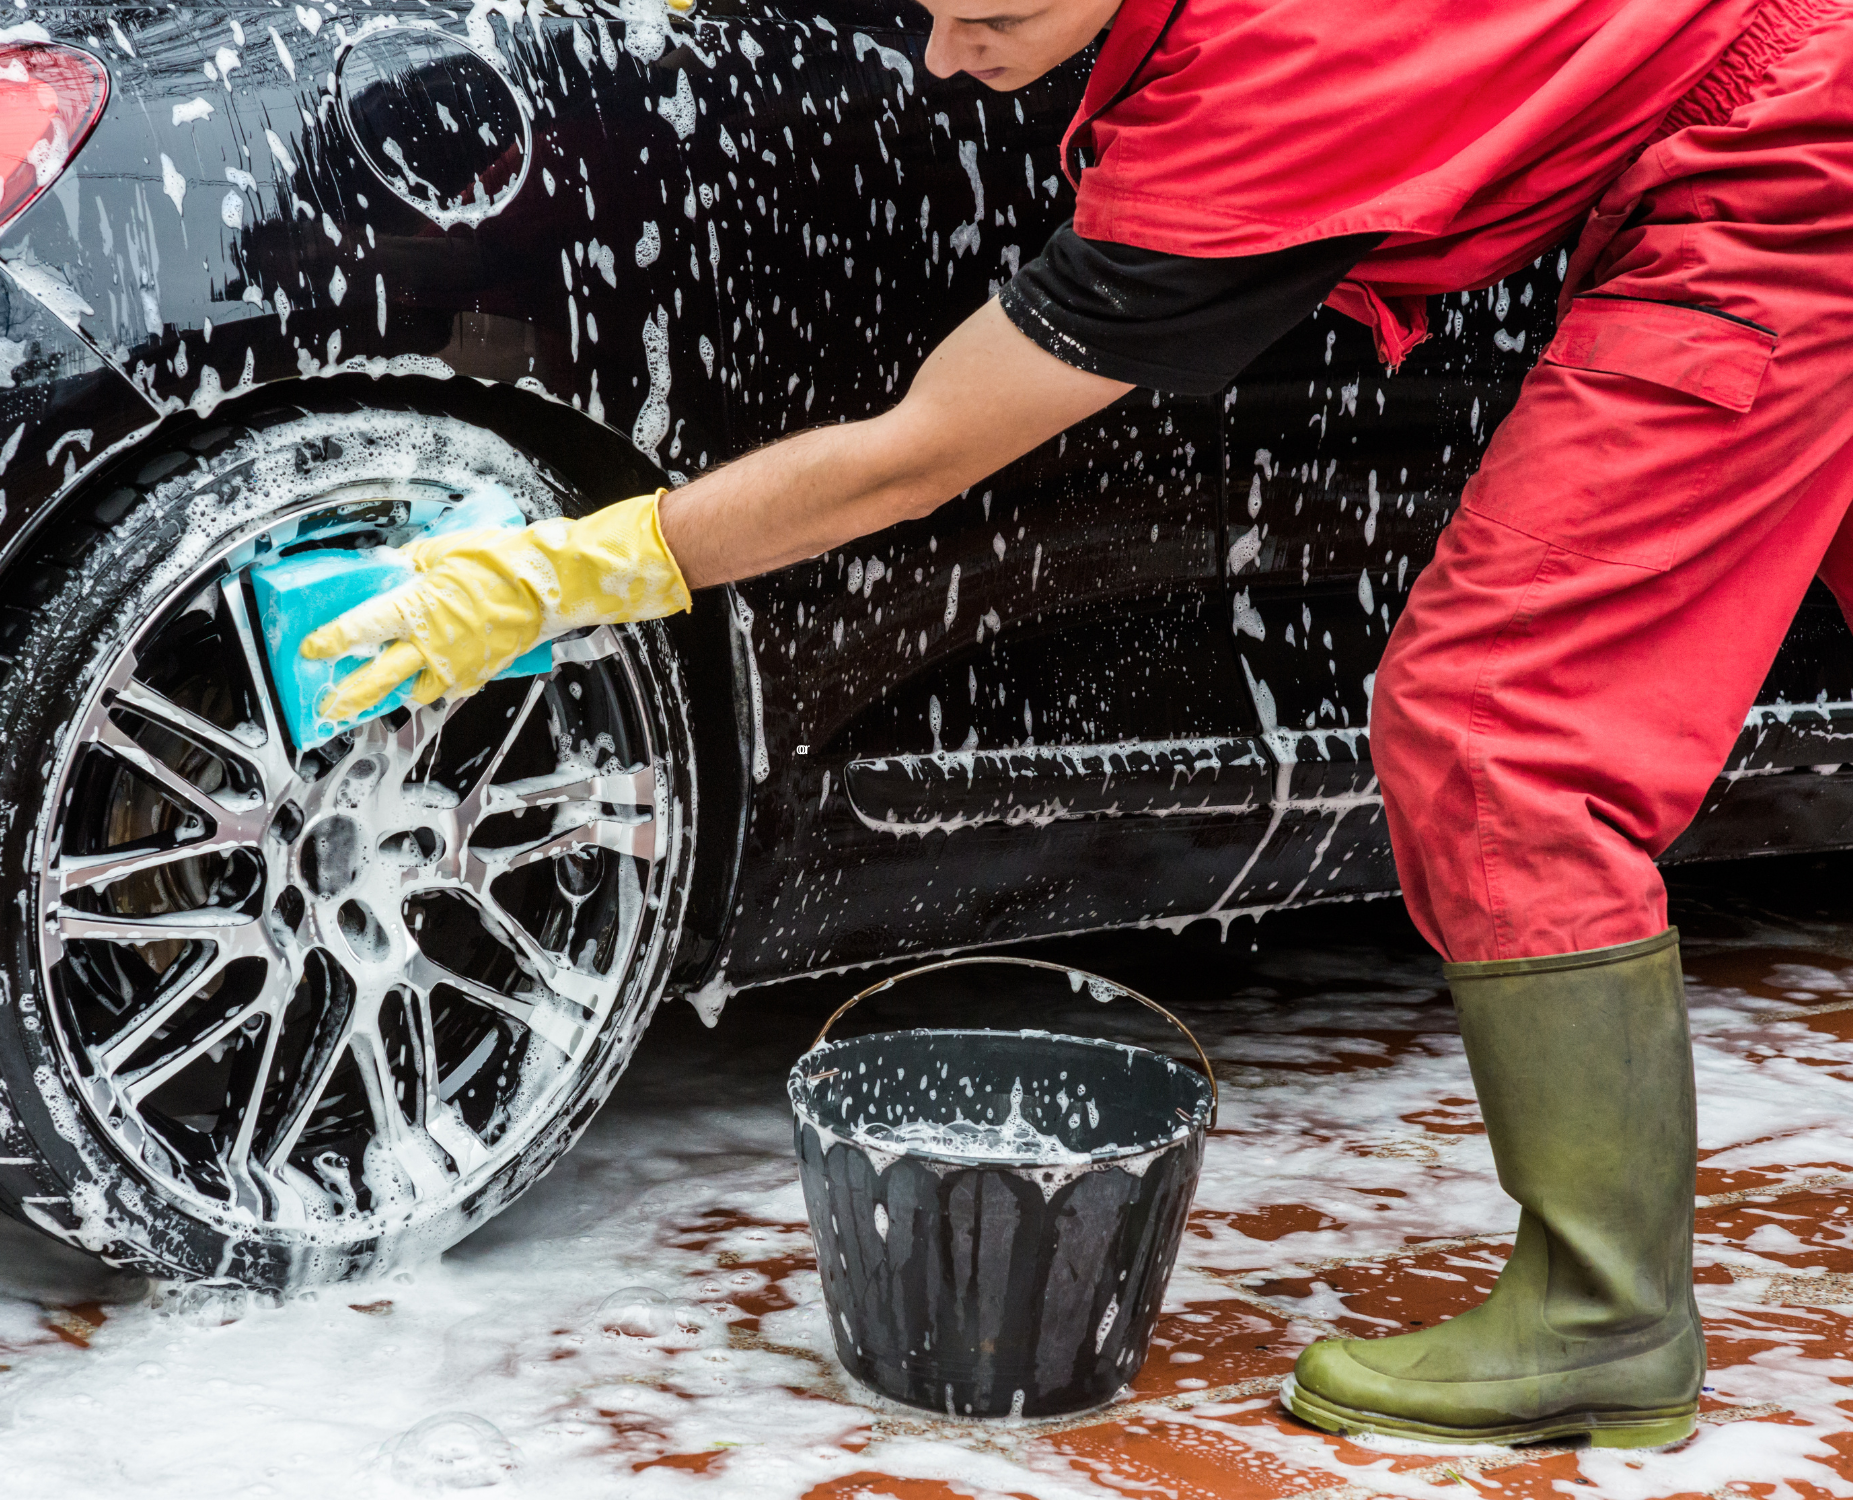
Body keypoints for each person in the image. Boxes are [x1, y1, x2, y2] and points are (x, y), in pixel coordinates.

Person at [302, 0, 1853, 1451]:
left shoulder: (1263, 110)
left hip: (1789, 170)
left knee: (1496, 717)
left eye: (994, 27)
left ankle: (1606, 1317)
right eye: (931, 12)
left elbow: (911, 457)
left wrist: (575, 573)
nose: (950, 63)